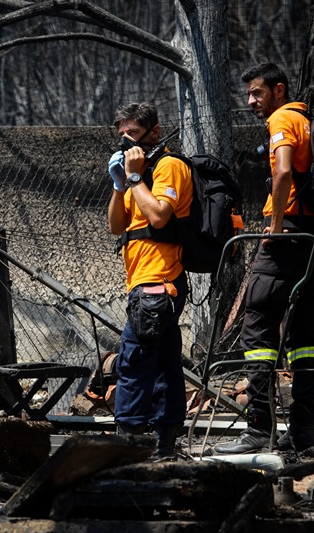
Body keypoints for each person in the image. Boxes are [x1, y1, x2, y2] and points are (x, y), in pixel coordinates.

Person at [212, 63, 314, 455]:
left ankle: (260, 428)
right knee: (306, 340)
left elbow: (281, 173)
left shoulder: (282, 119)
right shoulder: (310, 121)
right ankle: (303, 433)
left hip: (284, 237)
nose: (250, 102)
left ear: (278, 91)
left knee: (258, 331)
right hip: (311, 239)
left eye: (257, 93)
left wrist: (273, 226)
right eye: (248, 95)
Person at [108, 102, 193, 461]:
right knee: (164, 366)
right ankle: (165, 446)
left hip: (159, 282)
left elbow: (159, 217)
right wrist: (118, 184)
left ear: (155, 132)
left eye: (133, 135)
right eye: (122, 136)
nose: (127, 143)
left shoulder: (168, 167)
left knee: (133, 365)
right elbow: (116, 227)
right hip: (142, 283)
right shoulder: (136, 175)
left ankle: (127, 444)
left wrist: (134, 177)